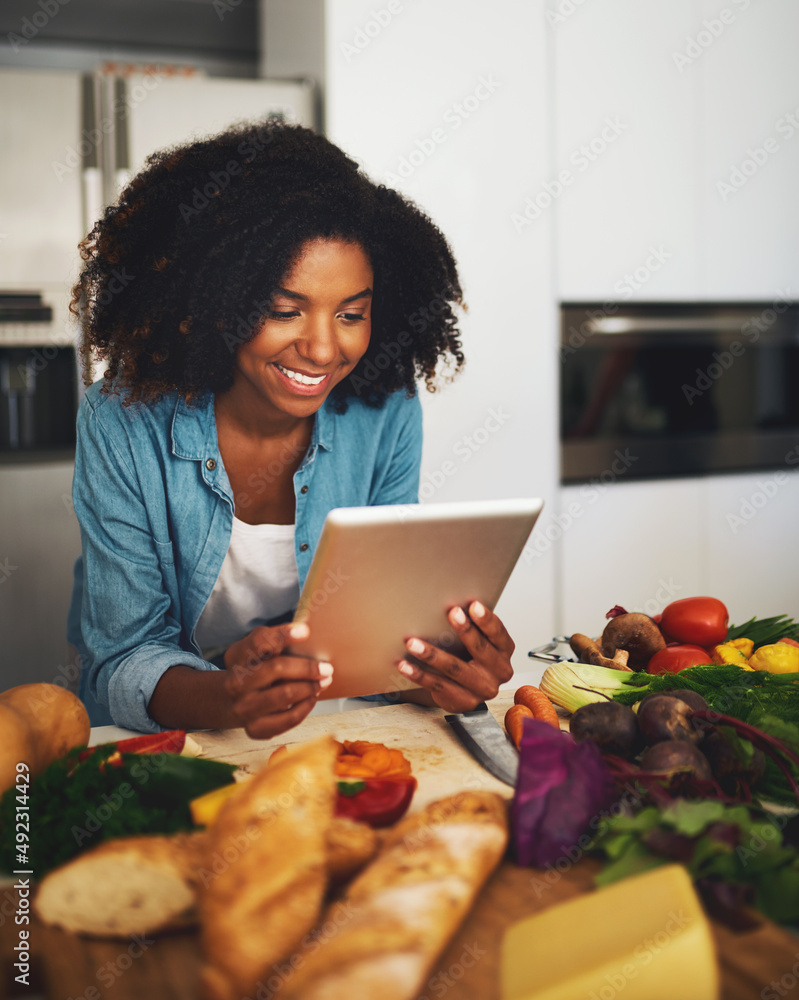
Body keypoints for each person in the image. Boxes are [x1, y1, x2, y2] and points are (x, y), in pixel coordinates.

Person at [67, 120, 515, 736]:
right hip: (166, 749)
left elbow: (379, 634)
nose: (324, 348)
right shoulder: (123, 420)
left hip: (324, 735)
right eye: (283, 310)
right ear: (211, 300)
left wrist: (440, 675)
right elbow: (120, 660)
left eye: (352, 313)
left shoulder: (385, 411)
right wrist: (228, 695)